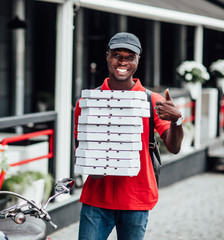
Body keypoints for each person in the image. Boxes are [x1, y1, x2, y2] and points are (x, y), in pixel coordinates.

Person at [74, 32, 184, 240]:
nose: (122, 61)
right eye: (117, 55)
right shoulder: (88, 102)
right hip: (97, 199)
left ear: (138, 60)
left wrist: (177, 120)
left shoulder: (153, 101)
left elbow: (174, 147)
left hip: (137, 198)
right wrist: (91, 165)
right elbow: (80, 147)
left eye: (129, 56)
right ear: (107, 56)